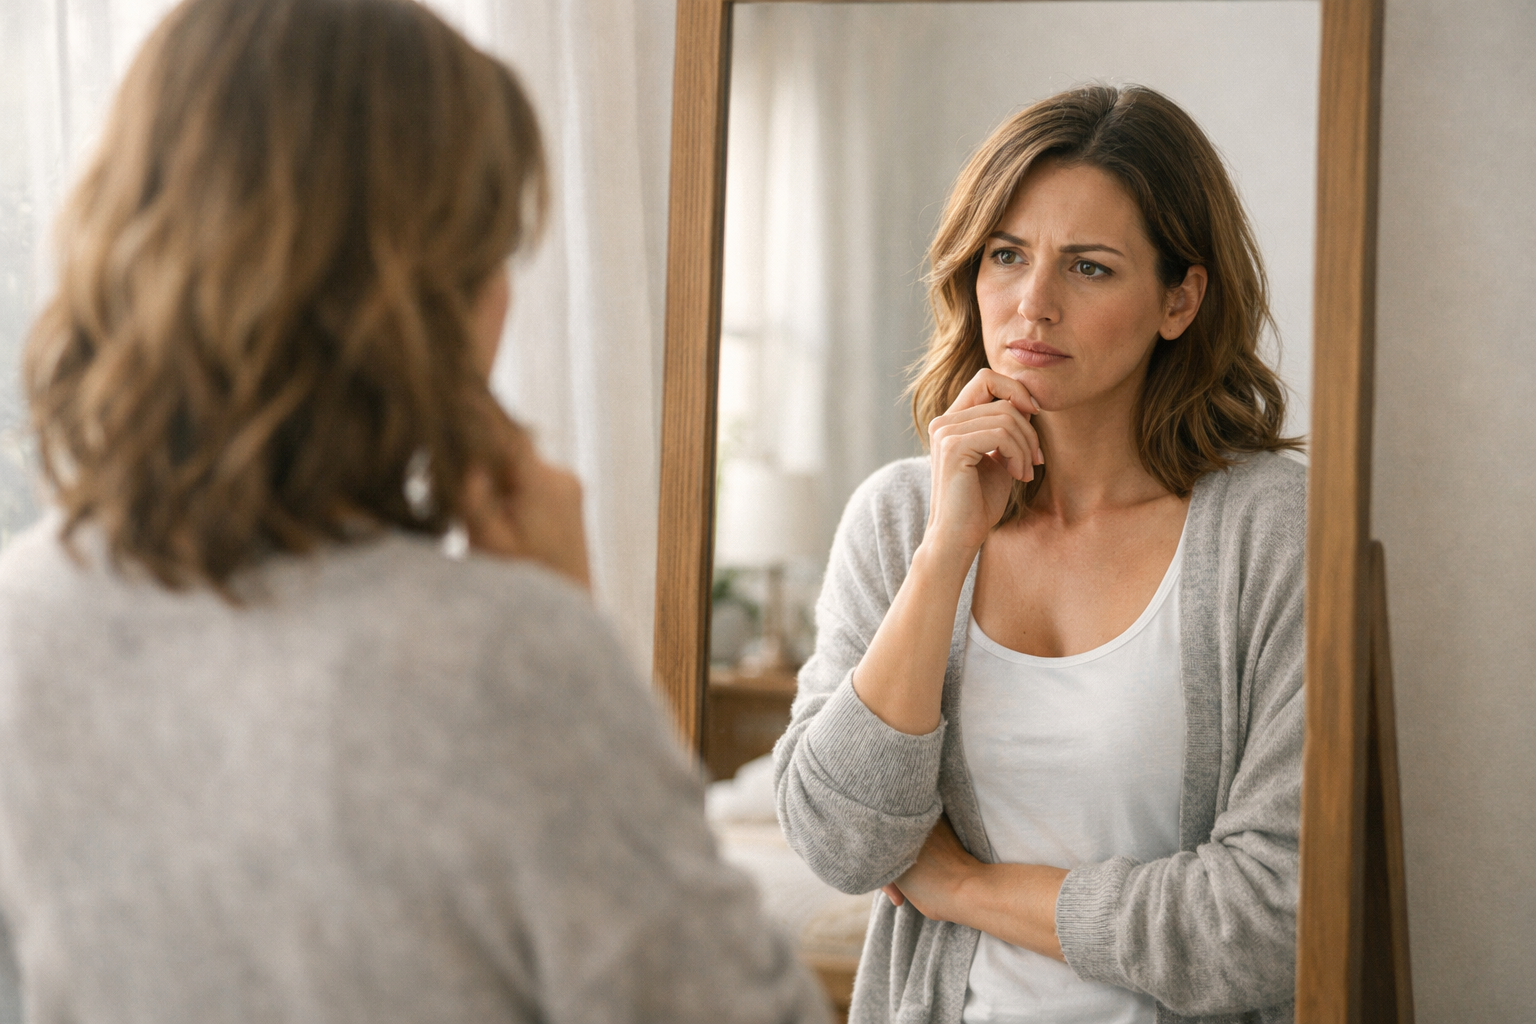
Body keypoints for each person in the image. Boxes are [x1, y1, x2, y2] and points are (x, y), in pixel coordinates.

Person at [0, 2, 830, 1022]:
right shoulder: (503, 654)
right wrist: (567, 623)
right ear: (419, 298)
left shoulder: (21, 615)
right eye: (491, 258)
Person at [774, 85, 1305, 1024]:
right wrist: (946, 555)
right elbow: (840, 845)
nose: (1032, 304)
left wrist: (963, 887)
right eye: (1006, 255)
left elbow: (1270, 921)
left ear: (1180, 299)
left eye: (1090, 268)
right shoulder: (899, 521)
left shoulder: (1271, 530)